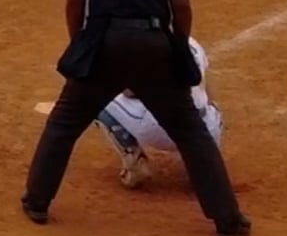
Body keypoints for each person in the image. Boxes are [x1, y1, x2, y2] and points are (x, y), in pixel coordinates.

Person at [21, 0, 250, 236]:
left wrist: (81, 44)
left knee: (64, 124)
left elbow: (74, 2)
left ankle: (37, 201)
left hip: (104, 43)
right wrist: (176, 46)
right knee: (190, 132)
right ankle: (227, 221)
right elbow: (182, 5)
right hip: (154, 41)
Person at [94, 36, 224, 189]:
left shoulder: (140, 44)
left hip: (160, 130)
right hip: (204, 131)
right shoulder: (190, 42)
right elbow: (207, 90)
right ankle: (203, 164)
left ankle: (133, 161)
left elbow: (130, 92)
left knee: (94, 94)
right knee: (210, 107)